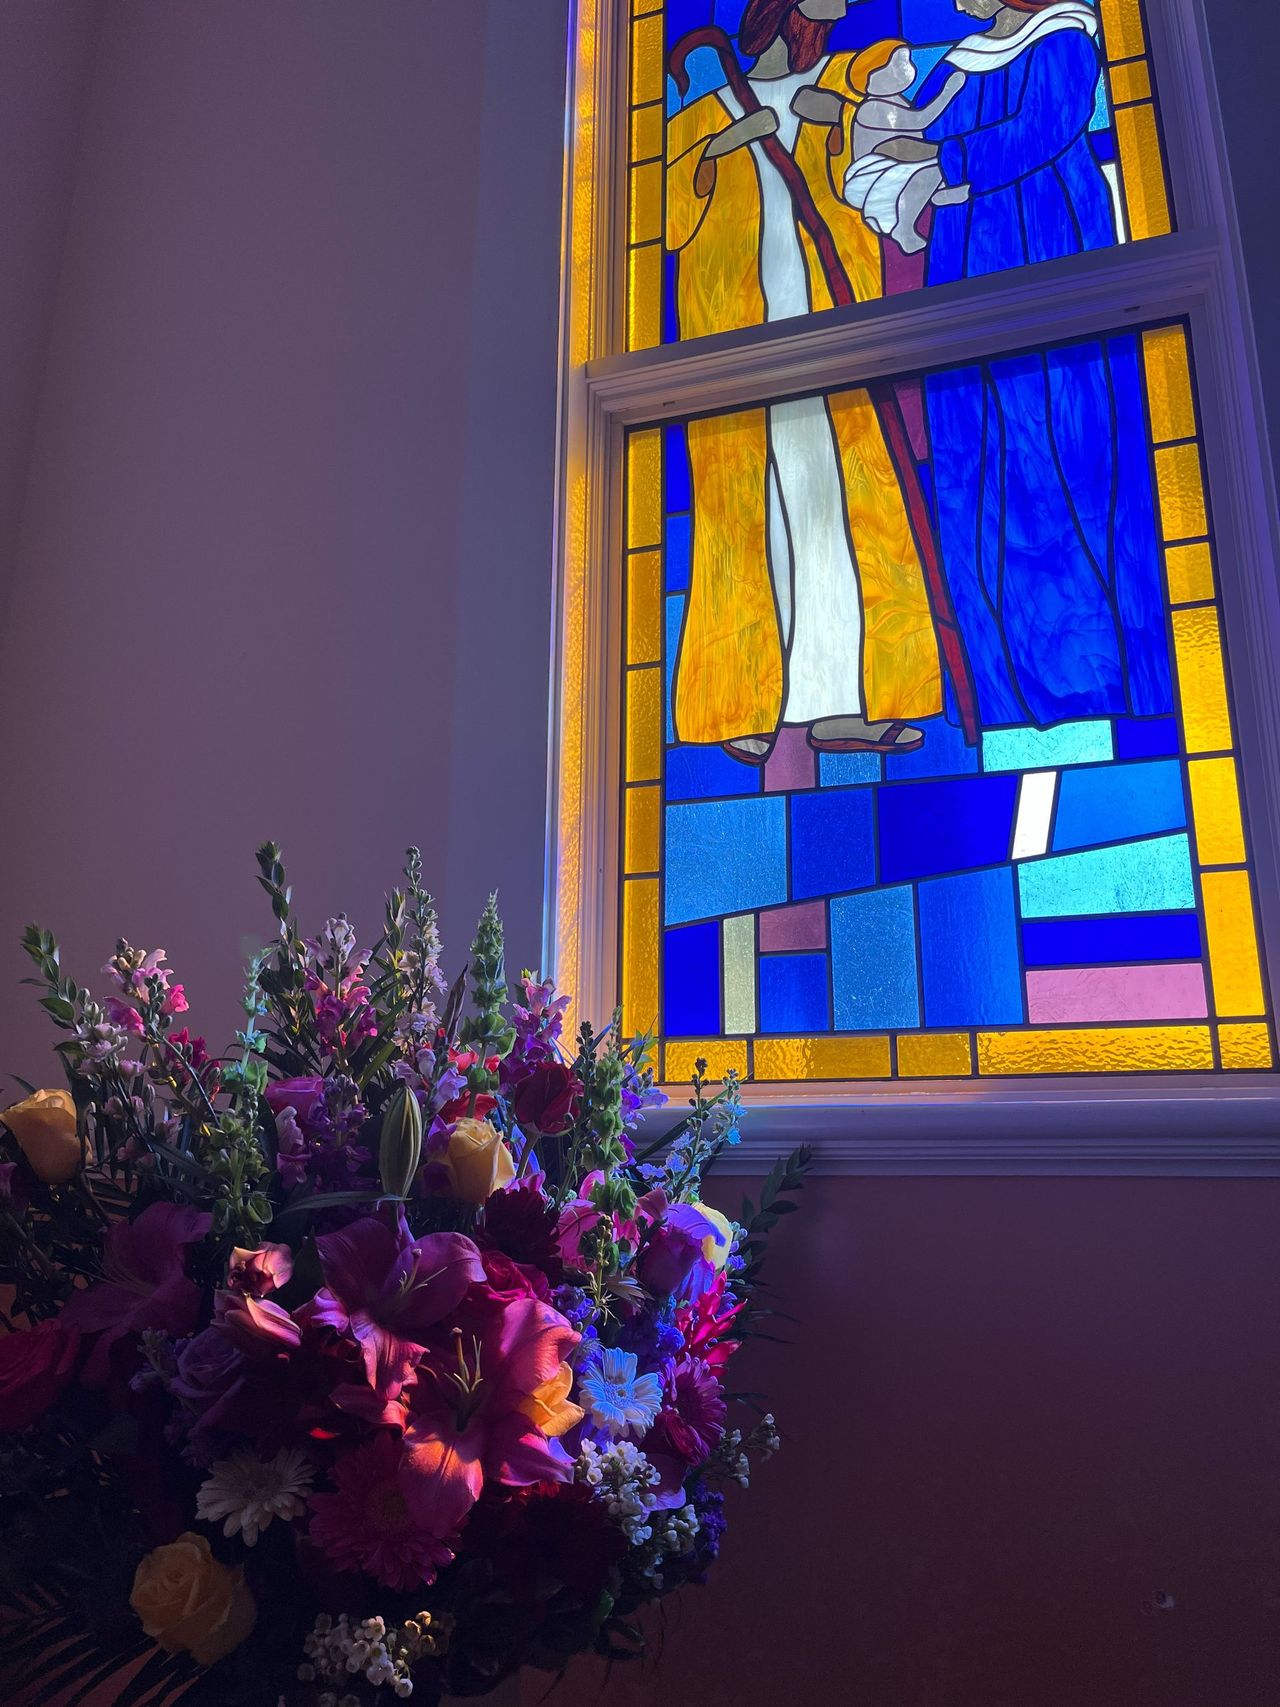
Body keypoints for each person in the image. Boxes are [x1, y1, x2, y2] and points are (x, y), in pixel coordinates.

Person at [665, 0, 944, 763]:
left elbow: (881, 136)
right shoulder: (702, 113)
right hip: (738, 357)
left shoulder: (840, 92)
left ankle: (845, 698)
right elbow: (668, 219)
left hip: (837, 343)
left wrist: (841, 112)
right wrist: (722, 145)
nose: (828, 22)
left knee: (844, 517)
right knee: (744, 527)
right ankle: (744, 701)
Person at [912, 0, 1173, 728]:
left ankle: (1114, 682)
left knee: (1072, 456)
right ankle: (1011, 693)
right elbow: (915, 131)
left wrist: (938, 160)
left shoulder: (1063, 42)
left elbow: (1040, 131)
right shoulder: (959, 62)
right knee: (980, 466)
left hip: (1049, 245)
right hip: (962, 265)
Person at [843, 43, 969, 256]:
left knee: (934, 166)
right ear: (871, 79)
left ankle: (937, 194)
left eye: (904, 62)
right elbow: (920, 120)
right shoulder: (870, 108)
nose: (903, 70)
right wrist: (948, 92)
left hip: (899, 164)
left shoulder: (898, 101)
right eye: (893, 66)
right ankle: (904, 226)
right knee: (933, 166)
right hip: (871, 173)